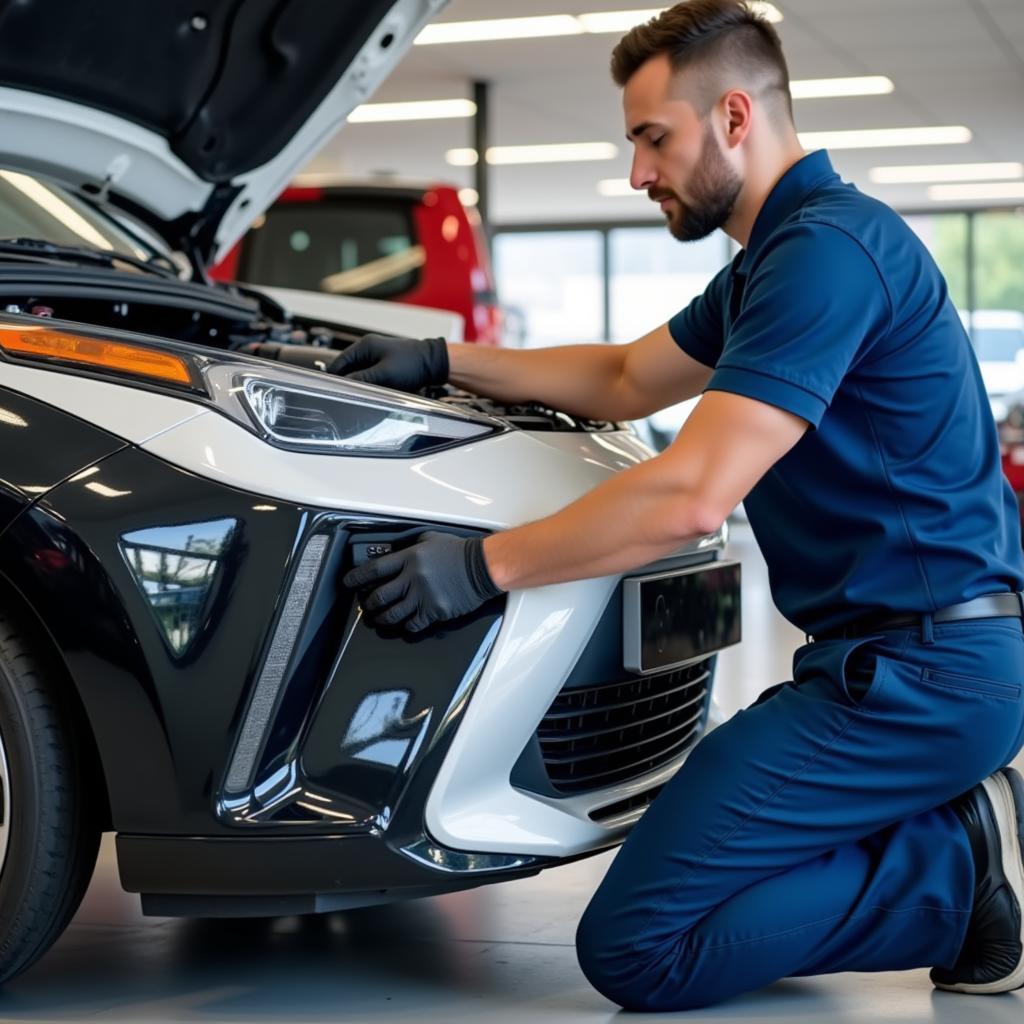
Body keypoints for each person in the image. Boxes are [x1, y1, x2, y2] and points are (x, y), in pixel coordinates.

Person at [334, 0, 1024, 1010]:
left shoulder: (824, 256)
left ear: (734, 118)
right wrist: (445, 356)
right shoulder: (771, 264)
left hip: (919, 679)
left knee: (638, 947)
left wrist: (477, 568)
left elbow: (690, 494)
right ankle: (951, 842)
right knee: (689, 900)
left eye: (653, 139)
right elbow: (622, 376)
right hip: (890, 666)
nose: (637, 173)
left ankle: (959, 868)